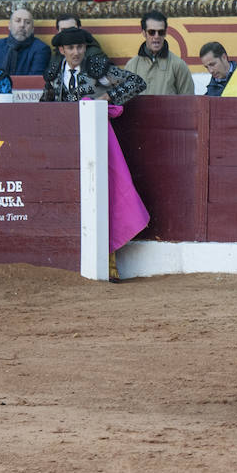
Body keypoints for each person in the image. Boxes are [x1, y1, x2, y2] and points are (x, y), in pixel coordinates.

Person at [42, 26, 149, 282]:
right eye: (71, 48)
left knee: (103, 196)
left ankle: (109, 264)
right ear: (62, 50)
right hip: (67, 145)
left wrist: (108, 97)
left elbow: (137, 82)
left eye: (80, 47)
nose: (77, 52)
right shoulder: (55, 73)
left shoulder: (97, 69)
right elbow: (46, 104)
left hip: (97, 143)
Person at [124, 10, 195, 96]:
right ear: (144, 33)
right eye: (151, 32)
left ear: (165, 33)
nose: (156, 36)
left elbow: (188, 102)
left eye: (161, 32)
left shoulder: (178, 65)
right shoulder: (131, 65)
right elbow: (124, 101)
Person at [0, 6, 51, 77]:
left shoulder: (41, 49)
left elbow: (34, 81)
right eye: (18, 21)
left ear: (32, 29)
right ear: (9, 25)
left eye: (27, 22)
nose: (22, 25)